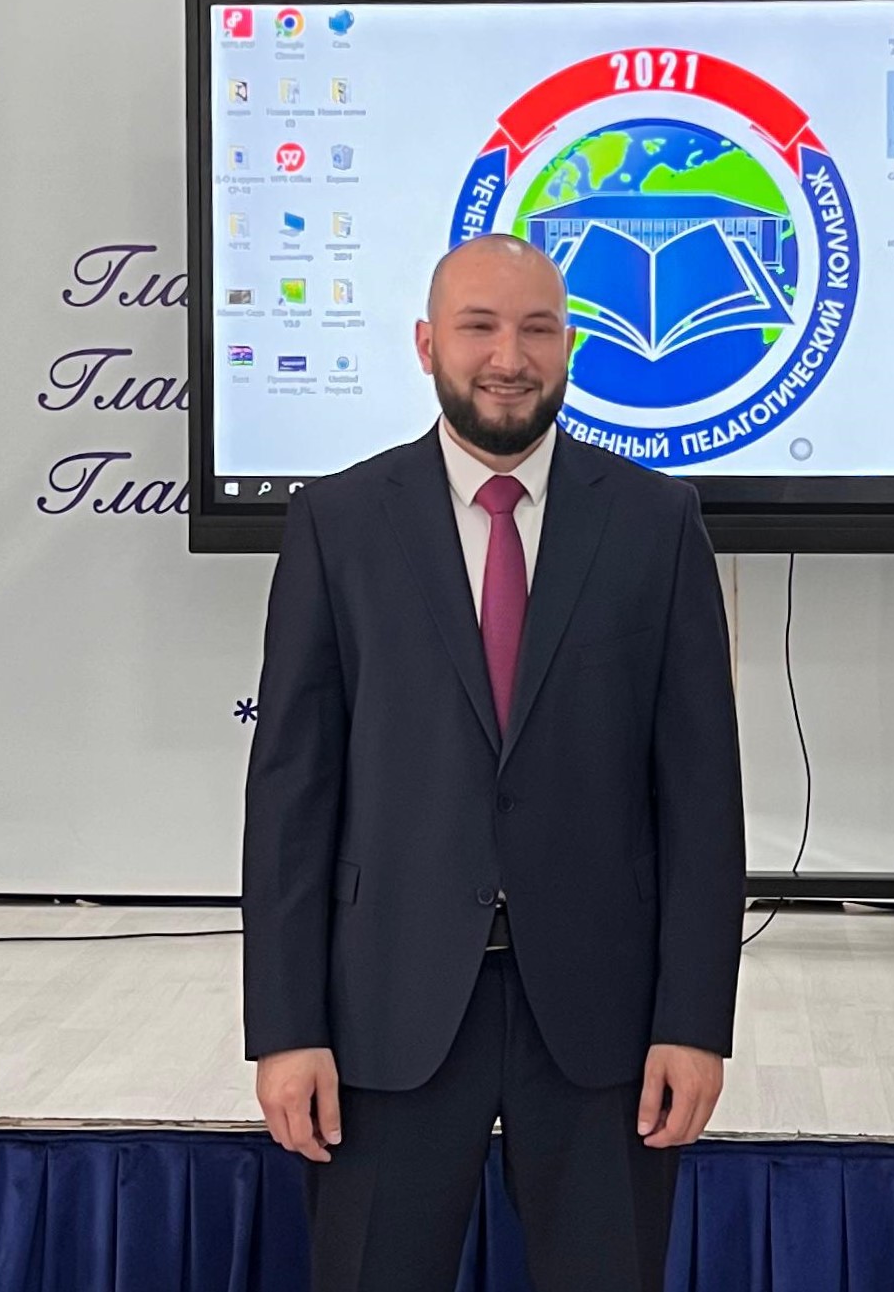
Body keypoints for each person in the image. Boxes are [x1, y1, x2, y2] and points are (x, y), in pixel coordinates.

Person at [242, 233, 746, 1292]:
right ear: (427, 344)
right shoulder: (338, 522)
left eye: (536, 329)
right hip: (385, 1010)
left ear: (569, 347)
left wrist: (694, 1023)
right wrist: (285, 1028)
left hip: (606, 1021)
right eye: (478, 327)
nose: (508, 357)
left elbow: (702, 798)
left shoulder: (656, 522)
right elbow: (292, 792)